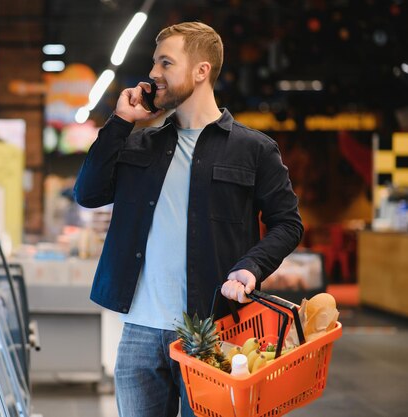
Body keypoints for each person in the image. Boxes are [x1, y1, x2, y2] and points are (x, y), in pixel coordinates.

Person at [74, 21, 303, 417]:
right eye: (154, 63)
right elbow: (88, 194)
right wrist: (121, 122)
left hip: (215, 332)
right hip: (139, 333)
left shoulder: (254, 149)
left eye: (166, 63)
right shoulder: (138, 142)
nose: (153, 74)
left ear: (201, 71)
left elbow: (288, 223)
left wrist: (251, 267)